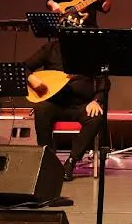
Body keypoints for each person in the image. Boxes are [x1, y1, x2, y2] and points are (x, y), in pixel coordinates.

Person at [24, 41, 107, 181]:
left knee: (96, 117)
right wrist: (32, 79)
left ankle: (71, 162)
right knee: (41, 109)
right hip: (55, 103)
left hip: (82, 105)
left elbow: (103, 80)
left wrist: (96, 100)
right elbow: (24, 67)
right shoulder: (51, 48)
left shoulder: (91, 49)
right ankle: (49, 160)